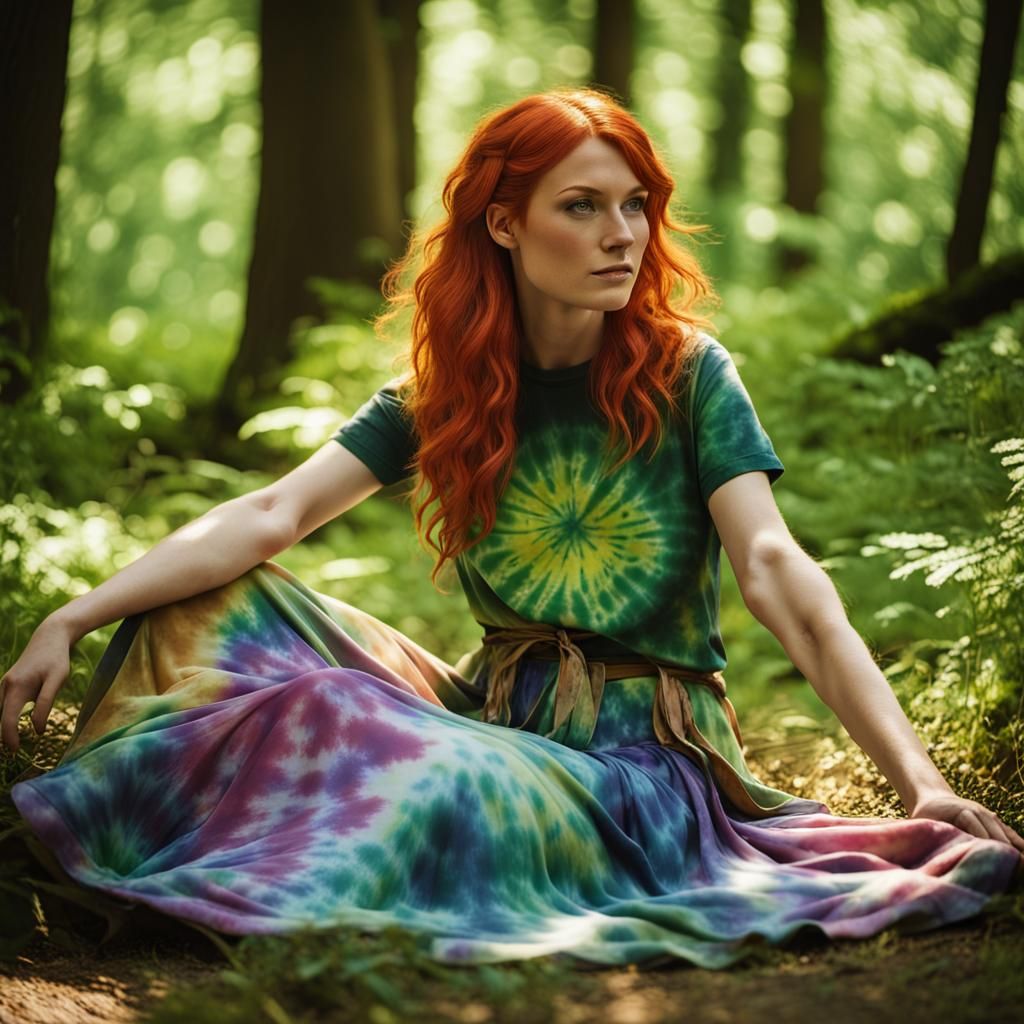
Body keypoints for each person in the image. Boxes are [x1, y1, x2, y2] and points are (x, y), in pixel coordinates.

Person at [2, 86, 1022, 970]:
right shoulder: (446, 390)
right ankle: (132, 846)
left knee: (419, 760)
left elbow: (769, 563)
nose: (621, 232)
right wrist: (75, 615)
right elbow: (272, 512)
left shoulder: (688, 375)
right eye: (581, 207)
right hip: (489, 710)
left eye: (634, 205)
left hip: (640, 767)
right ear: (503, 223)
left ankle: (284, 872)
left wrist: (919, 780)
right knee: (199, 607)